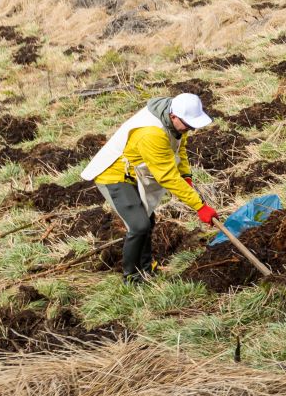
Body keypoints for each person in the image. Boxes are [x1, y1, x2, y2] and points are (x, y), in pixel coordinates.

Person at [79, 93, 218, 283]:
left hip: (135, 173)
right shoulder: (152, 133)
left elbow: (179, 149)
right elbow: (167, 176)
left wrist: (186, 176)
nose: (191, 129)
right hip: (113, 175)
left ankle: (146, 268)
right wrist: (200, 206)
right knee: (138, 225)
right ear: (173, 116)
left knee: (147, 221)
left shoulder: (176, 125)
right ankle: (132, 278)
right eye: (188, 124)